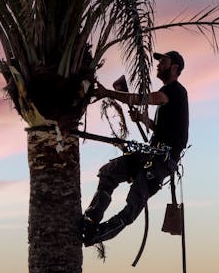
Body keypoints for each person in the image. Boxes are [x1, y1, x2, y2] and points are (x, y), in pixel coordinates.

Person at [81, 50, 189, 246]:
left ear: (174, 68)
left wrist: (109, 93)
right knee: (109, 172)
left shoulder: (175, 92)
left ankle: (97, 234)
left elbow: (141, 99)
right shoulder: (169, 98)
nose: (158, 65)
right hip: (151, 155)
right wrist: (143, 119)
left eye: (163, 62)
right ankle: (90, 221)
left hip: (161, 162)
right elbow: (164, 131)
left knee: (134, 202)